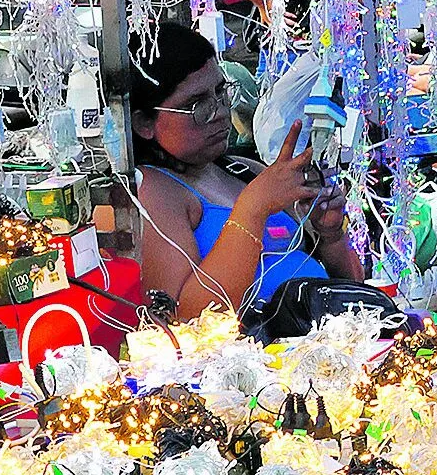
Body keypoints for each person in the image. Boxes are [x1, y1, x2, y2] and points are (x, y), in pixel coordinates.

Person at [127, 21, 364, 319]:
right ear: (145, 124)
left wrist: (330, 235)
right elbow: (186, 319)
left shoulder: (244, 171)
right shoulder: (154, 192)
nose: (221, 112)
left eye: (220, 92)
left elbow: (354, 289)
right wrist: (253, 208)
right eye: (197, 105)